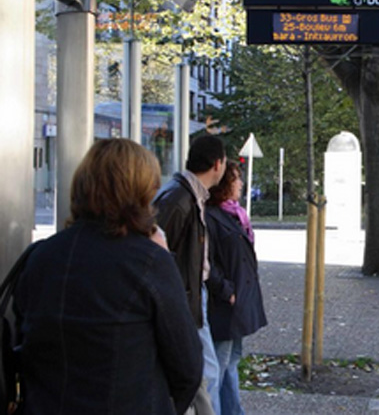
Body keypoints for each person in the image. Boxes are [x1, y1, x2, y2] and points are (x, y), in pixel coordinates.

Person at [13, 138, 202, 414]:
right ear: (139, 192)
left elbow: (25, 338)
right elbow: (187, 366)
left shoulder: (41, 256)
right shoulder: (149, 263)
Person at [154, 135, 227, 414]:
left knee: (205, 375)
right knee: (205, 375)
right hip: (185, 300)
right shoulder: (179, 198)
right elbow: (157, 255)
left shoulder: (188, 195)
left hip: (192, 296)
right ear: (217, 164)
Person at [206, 160, 268, 415]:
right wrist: (226, 291)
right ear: (223, 185)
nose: (241, 184)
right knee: (219, 366)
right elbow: (207, 262)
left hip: (239, 300)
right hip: (226, 302)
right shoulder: (212, 216)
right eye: (235, 179)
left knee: (231, 361)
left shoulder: (234, 214)